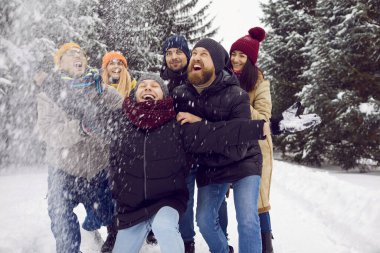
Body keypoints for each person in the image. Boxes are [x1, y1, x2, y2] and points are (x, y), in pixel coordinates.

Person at [79, 73, 269, 253]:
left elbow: (221, 133)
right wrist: (70, 89)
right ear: (134, 94)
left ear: (164, 94)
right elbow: (87, 119)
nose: (148, 88)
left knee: (164, 227)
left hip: (166, 202)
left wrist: (265, 127)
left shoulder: (177, 126)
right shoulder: (119, 123)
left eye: (154, 86)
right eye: (143, 86)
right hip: (132, 209)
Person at [173, 38, 263, 253]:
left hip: (244, 161)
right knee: (204, 220)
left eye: (204, 54)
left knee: (247, 220)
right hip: (210, 164)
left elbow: (238, 143)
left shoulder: (237, 95)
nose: (196, 57)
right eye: (194, 53)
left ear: (216, 63)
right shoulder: (181, 94)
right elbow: (183, 136)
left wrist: (201, 126)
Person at [36, 42, 123, 253]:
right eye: (70, 54)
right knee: (61, 219)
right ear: (60, 63)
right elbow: (49, 132)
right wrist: (81, 128)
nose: (78, 57)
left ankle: (95, 228)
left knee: (107, 213)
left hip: (98, 169)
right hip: (63, 170)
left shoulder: (104, 91)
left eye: (81, 54)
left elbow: (124, 119)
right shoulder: (48, 95)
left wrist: (108, 123)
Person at [161, 34, 229, 252]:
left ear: (188, 55)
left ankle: (221, 238)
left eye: (178, 52)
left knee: (216, 204)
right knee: (185, 200)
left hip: (210, 151)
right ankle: (187, 241)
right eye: (169, 53)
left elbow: (222, 111)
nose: (173, 57)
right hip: (181, 154)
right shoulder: (161, 84)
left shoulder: (201, 77)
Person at [229, 27, 273, 253]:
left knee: (257, 202)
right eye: (234, 53)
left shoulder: (259, 82)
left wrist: (238, 101)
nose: (236, 59)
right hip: (229, 145)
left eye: (242, 55)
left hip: (256, 146)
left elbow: (264, 117)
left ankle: (266, 245)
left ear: (251, 59)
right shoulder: (223, 77)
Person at [100, 50, 136, 252]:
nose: (115, 67)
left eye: (119, 63)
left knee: (130, 192)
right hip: (103, 150)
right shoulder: (97, 90)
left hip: (129, 149)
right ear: (105, 68)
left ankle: (138, 228)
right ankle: (112, 232)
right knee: (108, 193)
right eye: (111, 64)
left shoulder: (133, 88)